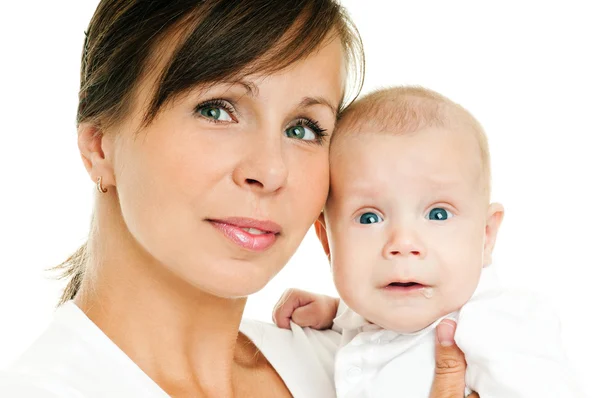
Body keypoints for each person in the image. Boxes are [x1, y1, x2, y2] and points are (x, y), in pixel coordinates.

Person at [0, 1, 478, 397]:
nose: (270, 171)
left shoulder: (379, 368)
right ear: (100, 145)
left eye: (302, 128)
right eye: (216, 110)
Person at [274, 87, 582, 397]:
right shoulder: (376, 314)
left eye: (437, 214)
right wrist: (337, 313)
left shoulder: (499, 327)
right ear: (328, 242)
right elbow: (385, 324)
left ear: (485, 235)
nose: (403, 243)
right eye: (369, 218)